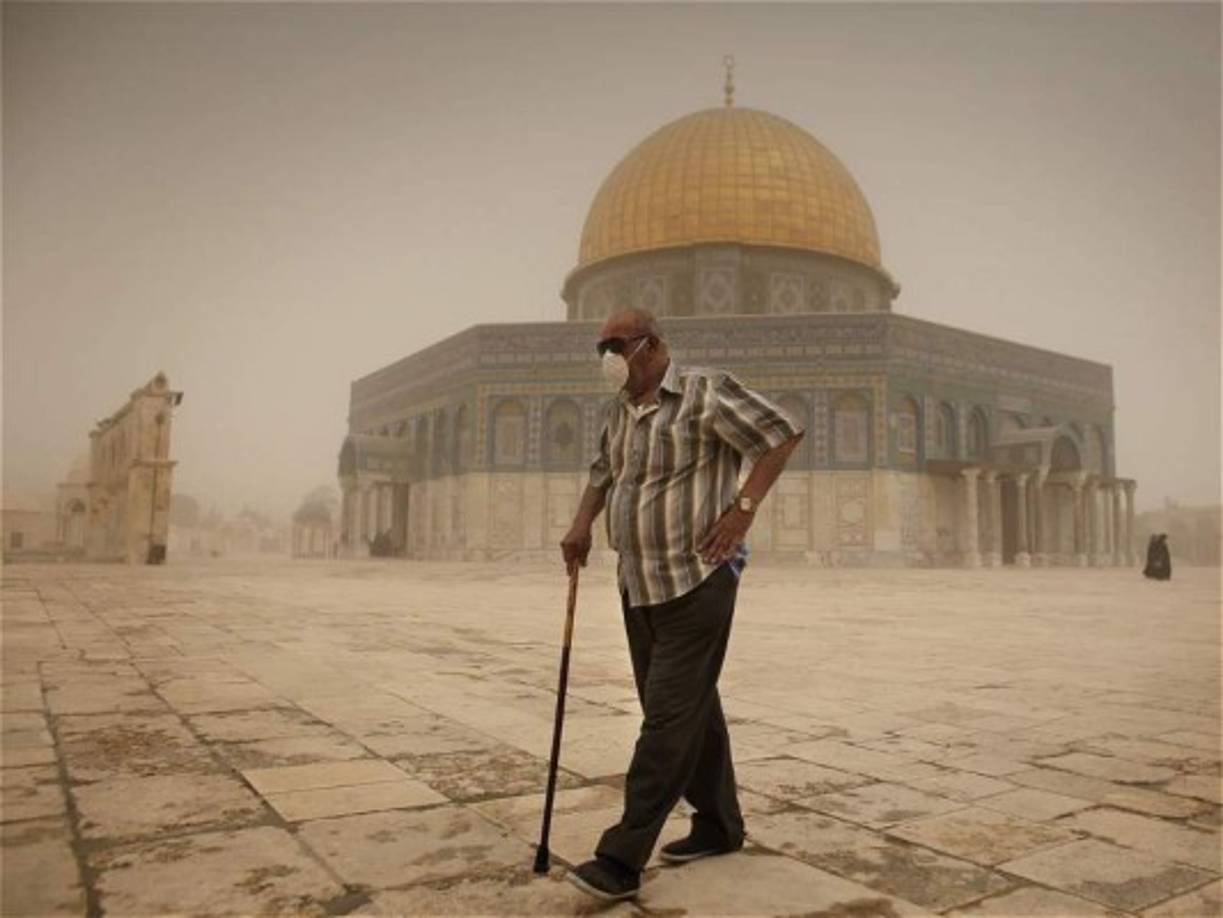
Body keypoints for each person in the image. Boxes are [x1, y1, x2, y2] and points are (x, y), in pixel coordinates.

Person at [559, 308, 805, 901]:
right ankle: (719, 825)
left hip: (697, 581)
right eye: (601, 348)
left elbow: (782, 432)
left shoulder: (705, 392)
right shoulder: (619, 410)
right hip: (639, 583)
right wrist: (582, 524)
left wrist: (742, 511)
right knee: (688, 708)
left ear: (649, 345)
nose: (607, 358)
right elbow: (603, 471)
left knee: (666, 720)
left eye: (615, 345)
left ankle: (622, 857)